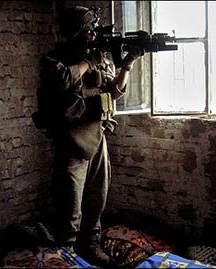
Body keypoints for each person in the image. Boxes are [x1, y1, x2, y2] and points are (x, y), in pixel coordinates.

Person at [32, 5, 144, 267]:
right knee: (70, 205)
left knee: (97, 198)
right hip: (70, 141)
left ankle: (90, 245)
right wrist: (89, 61)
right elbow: (61, 80)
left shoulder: (96, 59)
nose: (93, 34)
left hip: (96, 137)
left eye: (93, 29)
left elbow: (114, 93)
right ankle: (66, 254)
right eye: (88, 29)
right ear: (76, 32)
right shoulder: (54, 61)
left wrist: (126, 66)